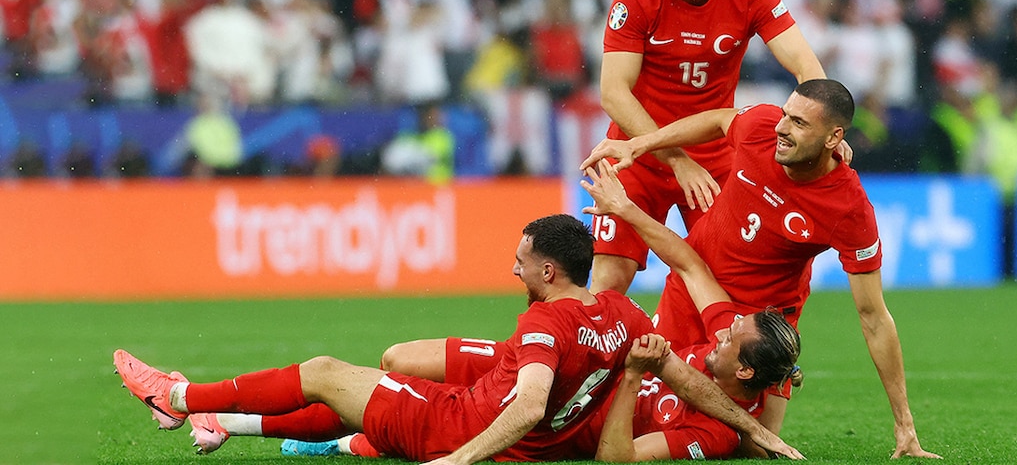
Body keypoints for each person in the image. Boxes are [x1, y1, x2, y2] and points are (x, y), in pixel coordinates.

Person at [115, 214, 803, 462]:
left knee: (327, 370)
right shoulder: (624, 318)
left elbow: (533, 406)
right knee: (373, 376)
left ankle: (178, 394)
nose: (510, 267)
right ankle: (220, 419)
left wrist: (459, 459)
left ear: (547, 267)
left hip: (455, 424)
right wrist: (764, 432)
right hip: (492, 407)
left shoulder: (544, 323)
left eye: (520, 257)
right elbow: (679, 377)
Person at [279, 158, 804, 461]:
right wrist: (625, 208)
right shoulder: (715, 354)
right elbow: (690, 265)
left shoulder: (712, 434)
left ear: (744, 369)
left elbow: (616, 457)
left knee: (440, 411)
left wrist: (630, 379)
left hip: (570, 408)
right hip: (559, 355)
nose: (722, 329)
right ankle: (345, 428)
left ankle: (341, 441)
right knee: (399, 360)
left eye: (734, 334)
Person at [581, 79, 940, 459]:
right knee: (649, 398)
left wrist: (904, 423)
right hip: (693, 285)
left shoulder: (848, 209)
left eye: (799, 123)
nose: (782, 128)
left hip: (758, 326)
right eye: (786, 115)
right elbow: (720, 120)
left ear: (834, 138)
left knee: (755, 447)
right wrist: (641, 144)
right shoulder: (762, 130)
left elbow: (873, 317)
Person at [592, 0, 830, 294]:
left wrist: (823, 130)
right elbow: (613, 94)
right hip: (637, 154)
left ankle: (719, 356)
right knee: (609, 279)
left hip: (714, 157)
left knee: (729, 277)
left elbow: (808, 68)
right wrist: (676, 160)